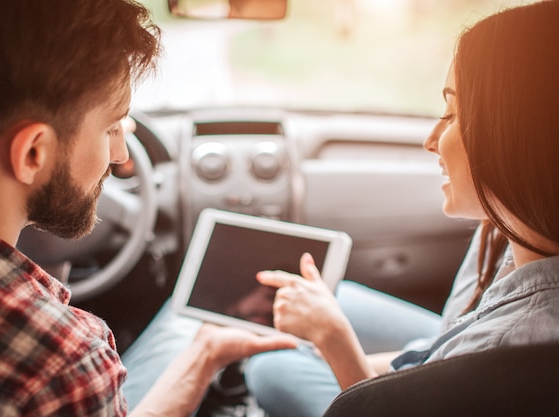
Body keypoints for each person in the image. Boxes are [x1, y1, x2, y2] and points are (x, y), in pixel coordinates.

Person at [119, 1, 559, 415]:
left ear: (513, 142)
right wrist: (360, 348)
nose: (430, 140)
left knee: (272, 364)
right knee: (330, 299)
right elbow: (443, 349)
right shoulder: (503, 230)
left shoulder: (514, 343)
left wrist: (336, 344)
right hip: (445, 360)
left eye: (452, 114)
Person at [0, 1, 296, 416]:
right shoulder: (61, 364)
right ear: (33, 152)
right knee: (183, 320)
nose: (120, 153)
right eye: (110, 128)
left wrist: (207, 354)